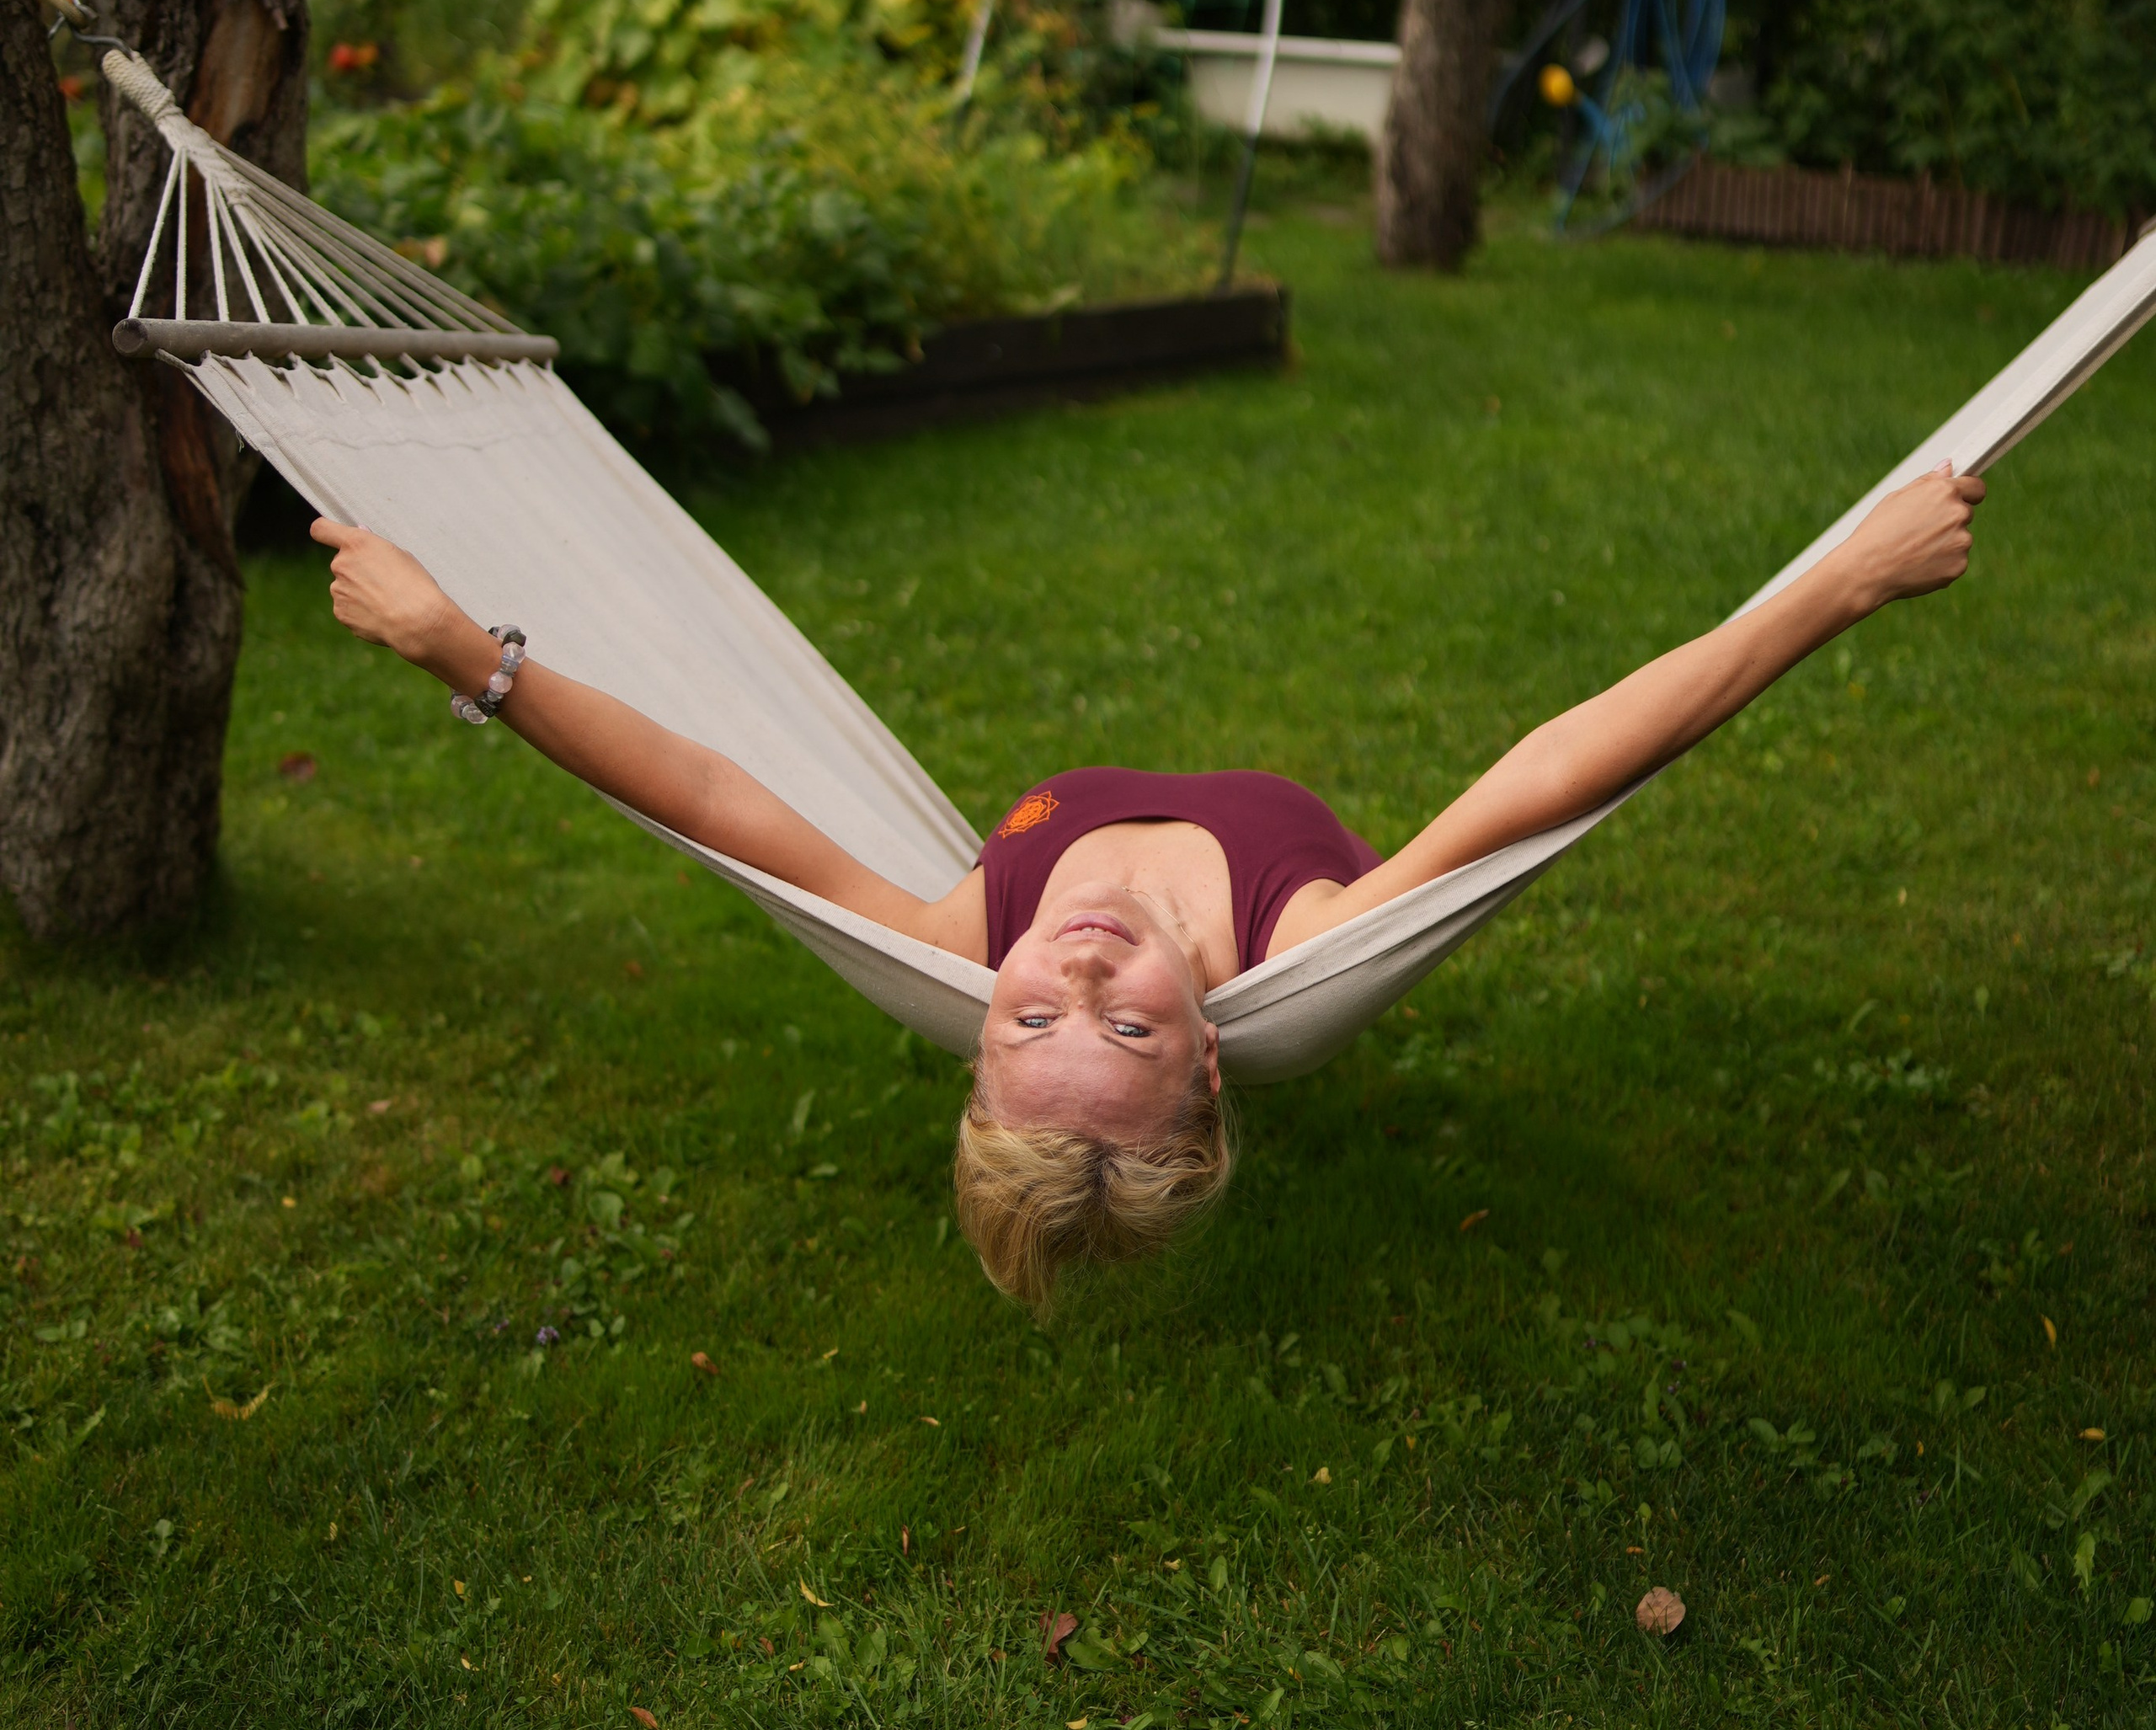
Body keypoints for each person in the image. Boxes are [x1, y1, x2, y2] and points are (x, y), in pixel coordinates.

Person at [311, 460, 1984, 1306]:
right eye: (1114, 1025)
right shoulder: (1297, 946)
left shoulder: (961, 937)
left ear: (972, 1025)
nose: (1078, 963)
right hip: (1282, 882)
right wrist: (1836, 582)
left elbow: (701, 789)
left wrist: (468, 654)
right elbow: (1558, 766)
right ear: (1208, 1063)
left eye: (1029, 1010)